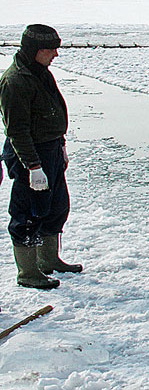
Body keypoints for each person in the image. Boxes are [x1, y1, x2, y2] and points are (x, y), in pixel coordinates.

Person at [0, 24, 82, 289]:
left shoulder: (40, 73)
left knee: (56, 207)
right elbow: (17, 130)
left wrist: (61, 146)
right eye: (50, 50)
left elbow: (52, 112)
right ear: (34, 50)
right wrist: (33, 166)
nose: (55, 55)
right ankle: (28, 272)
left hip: (51, 150)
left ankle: (48, 260)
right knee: (28, 213)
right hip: (31, 155)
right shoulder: (16, 81)